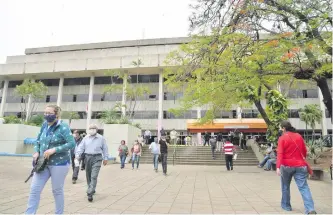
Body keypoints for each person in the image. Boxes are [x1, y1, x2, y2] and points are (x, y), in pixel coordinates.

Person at [26, 105, 75, 214]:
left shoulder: (63, 127)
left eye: (49, 113)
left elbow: (72, 143)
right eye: (45, 113)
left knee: (57, 191)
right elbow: (38, 140)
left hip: (59, 164)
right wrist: (36, 151)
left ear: (56, 114)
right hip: (43, 163)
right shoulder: (44, 125)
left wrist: (55, 150)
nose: (46, 115)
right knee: (34, 190)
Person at [277, 120, 316, 214]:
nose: (279, 129)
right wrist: (300, 159)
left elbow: (280, 153)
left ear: (284, 128)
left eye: (280, 127)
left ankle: (286, 206)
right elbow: (304, 151)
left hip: (286, 166)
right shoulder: (299, 136)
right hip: (300, 165)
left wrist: (278, 167)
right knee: (304, 187)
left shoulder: (282, 138)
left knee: (285, 186)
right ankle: (310, 209)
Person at [75, 124, 109, 202]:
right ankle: (91, 188)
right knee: (88, 175)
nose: (92, 129)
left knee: (94, 175)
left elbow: (105, 148)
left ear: (96, 130)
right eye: (90, 128)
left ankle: (90, 192)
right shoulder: (85, 138)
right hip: (87, 158)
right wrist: (77, 155)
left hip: (97, 158)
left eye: (93, 128)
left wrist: (106, 158)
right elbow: (81, 147)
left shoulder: (101, 138)